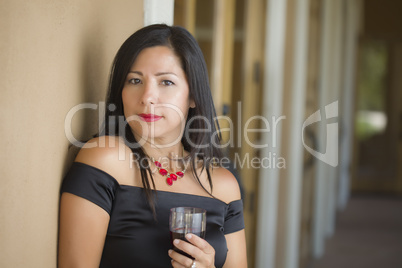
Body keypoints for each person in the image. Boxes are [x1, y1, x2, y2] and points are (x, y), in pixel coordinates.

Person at [58, 24, 247, 268]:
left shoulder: (223, 184)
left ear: (192, 96)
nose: (147, 96)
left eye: (166, 82)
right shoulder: (105, 158)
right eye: (135, 80)